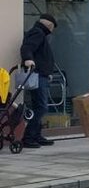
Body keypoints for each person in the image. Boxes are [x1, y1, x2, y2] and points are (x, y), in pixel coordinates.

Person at [19, 13, 57, 148]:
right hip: (37, 75)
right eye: (53, 28)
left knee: (38, 106)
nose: (52, 31)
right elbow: (27, 47)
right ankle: (28, 137)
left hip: (42, 75)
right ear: (50, 26)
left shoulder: (38, 33)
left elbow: (42, 56)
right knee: (41, 107)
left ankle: (36, 135)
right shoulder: (37, 33)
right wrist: (28, 58)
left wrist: (48, 73)